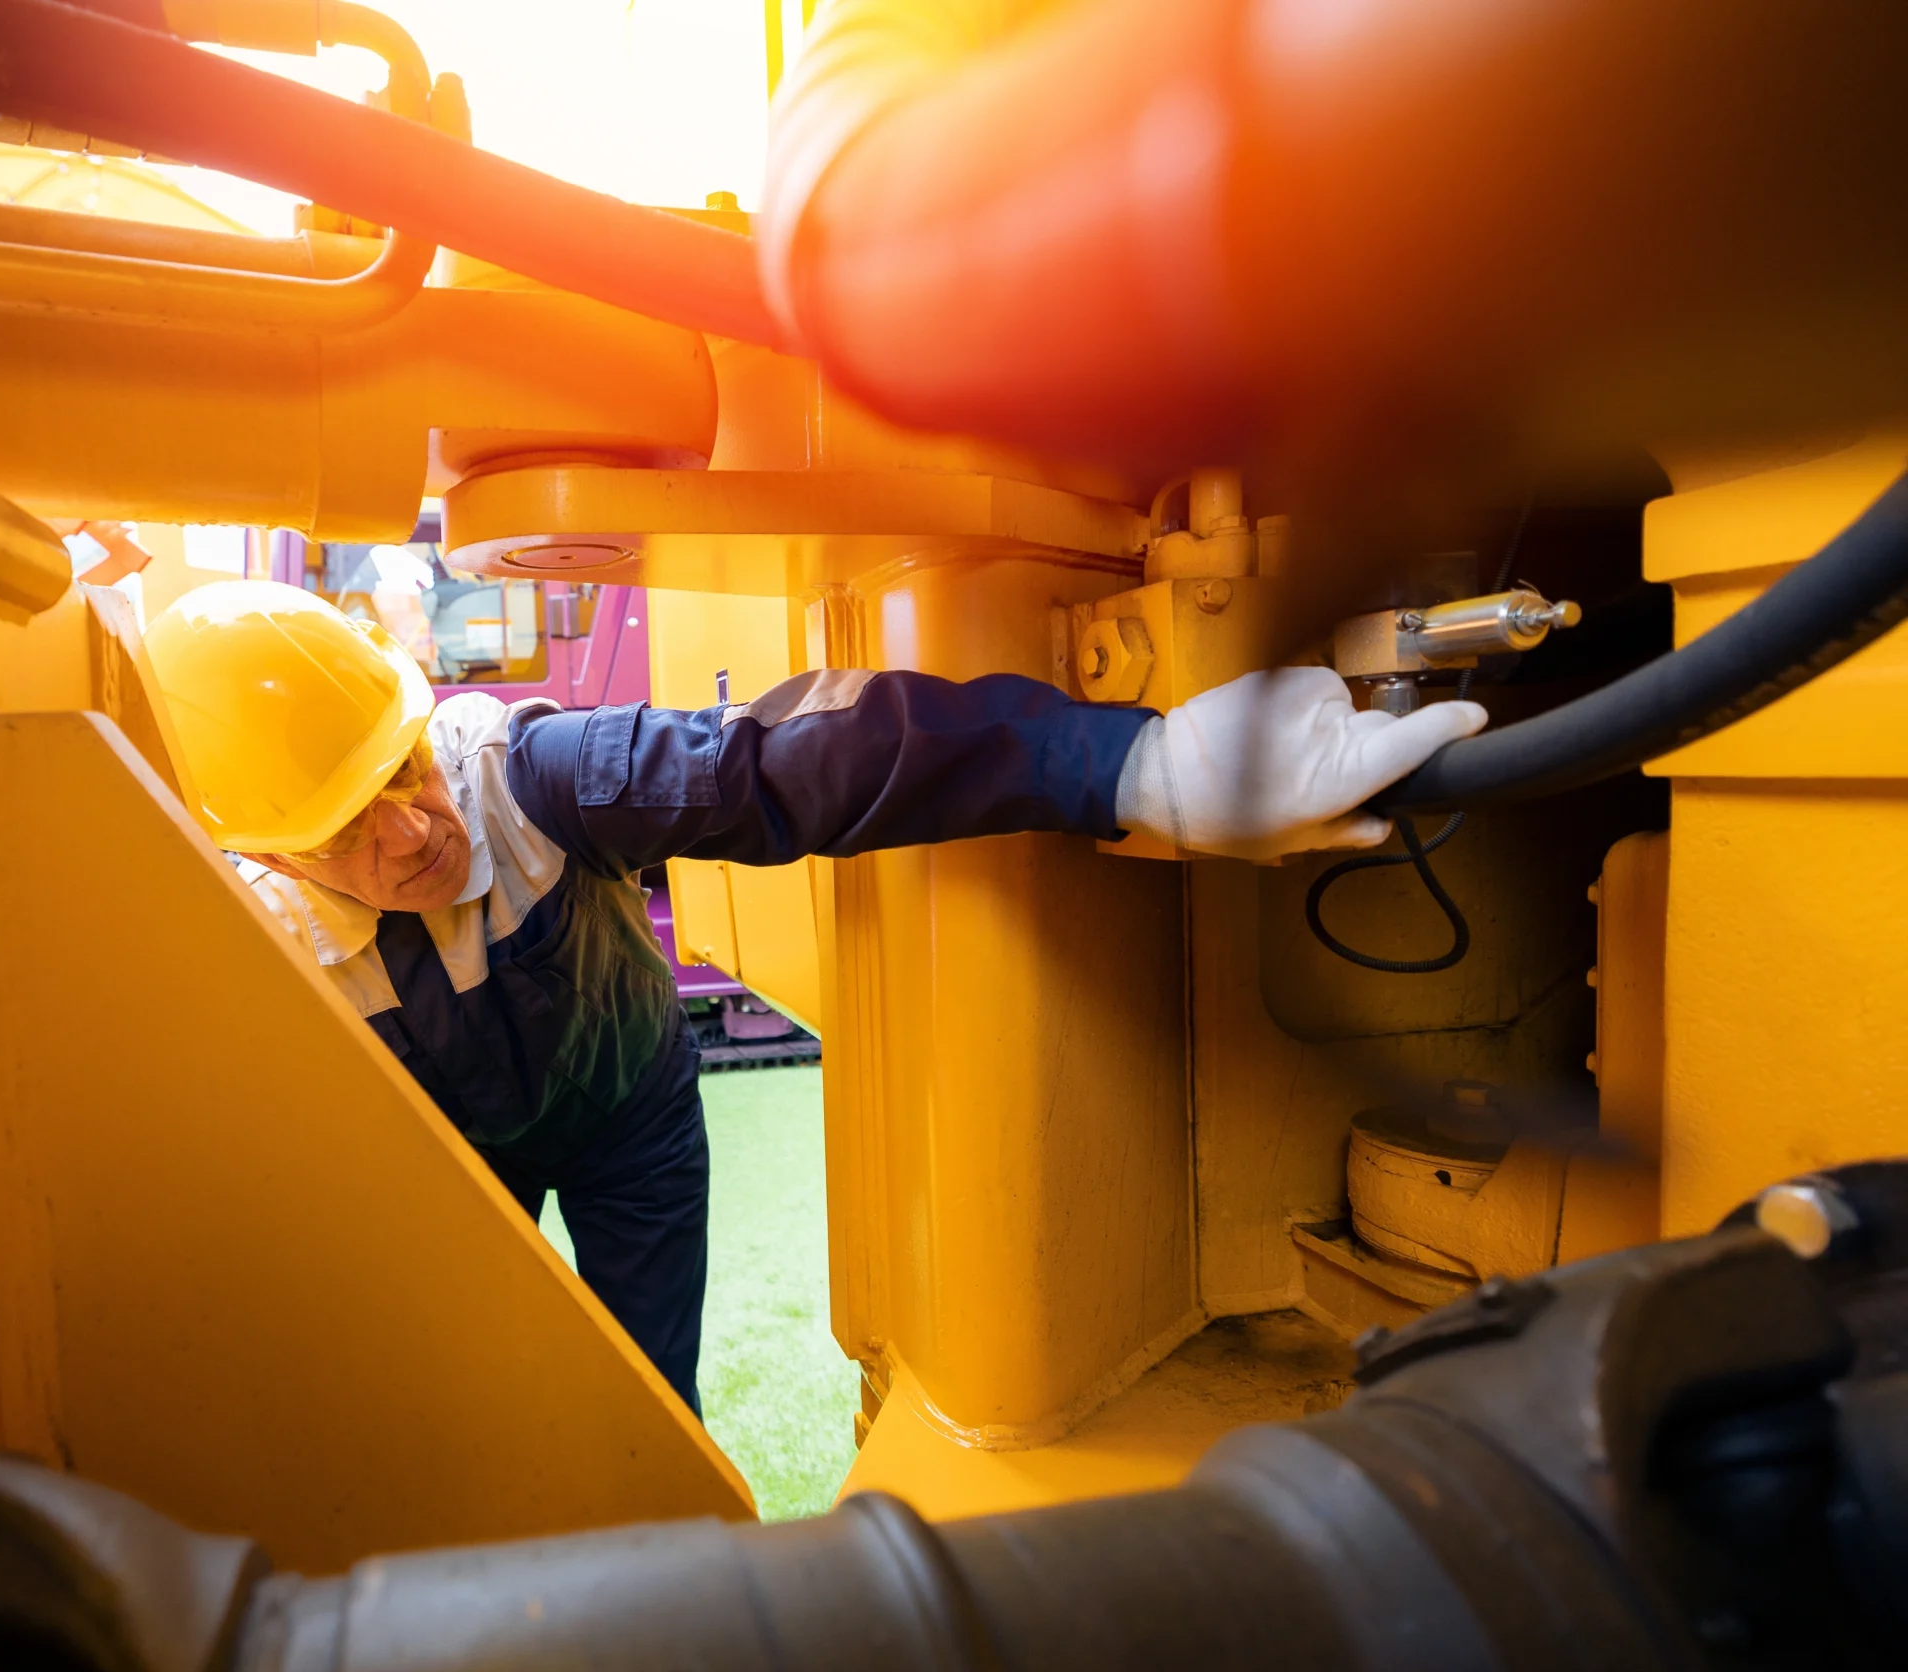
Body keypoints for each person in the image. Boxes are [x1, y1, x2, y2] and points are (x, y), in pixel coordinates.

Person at [143, 581, 1485, 1413]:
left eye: (402, 766)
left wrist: (1141, 763)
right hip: (455, 1165)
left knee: (644, 1407)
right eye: (347, 826)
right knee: (473, 1403)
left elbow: (793, 761)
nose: (413, 827)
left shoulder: (521, 771)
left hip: (630, 1129)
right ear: (260, 852)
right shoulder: (245, 944)